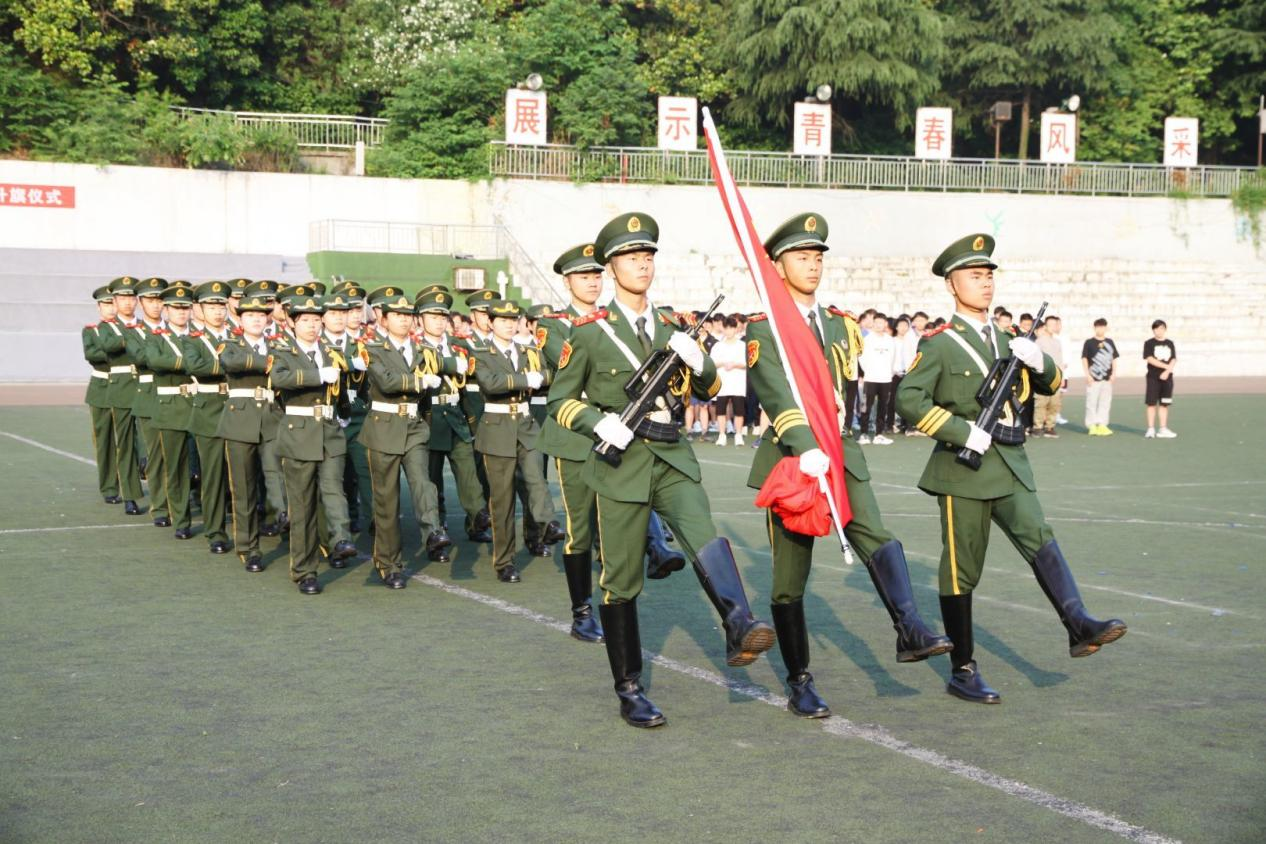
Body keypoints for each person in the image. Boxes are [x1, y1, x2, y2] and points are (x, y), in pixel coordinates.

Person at [548, 211, 774, 728]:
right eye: (631, 257)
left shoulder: (674, 325)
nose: (642, 264)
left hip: (672, 454)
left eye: (648, 255)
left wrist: (699, 361)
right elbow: (560, 401)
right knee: (622, 579)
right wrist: (597, 421)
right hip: (621, 462)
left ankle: (739, 622)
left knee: (703, 533)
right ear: (611, 267)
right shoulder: (589, 333)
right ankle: (629, 687)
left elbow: (709, 389)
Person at [896, 233, 1126, 704]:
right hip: (963, 470)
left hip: (1009, 462)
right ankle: (963, 668)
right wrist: (961, 431)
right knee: (962, 568)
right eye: (974, 276)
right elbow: (909, 399)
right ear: (952, 284)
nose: (985, 283)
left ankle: (1078, 623)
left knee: (1039, 537)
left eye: (988, 275)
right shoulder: (939, 343)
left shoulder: (1007, 340)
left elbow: (1052, 384)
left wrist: (1040, 360)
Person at [746, 213, 951, 717]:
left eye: (818, 257)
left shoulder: (839, 323)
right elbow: (773, 390)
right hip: (793, 460)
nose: (813, 265)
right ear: (778, 266)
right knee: (790, 578)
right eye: (801, 257)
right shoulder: (765, 328)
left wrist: (829, 442)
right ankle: (799, 679)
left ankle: (909, 627)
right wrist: (803, 443)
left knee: (877, 536)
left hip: (839, 453)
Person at [360, 291, 454, 589]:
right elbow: (386, 381)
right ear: (384, 319)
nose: (403, 320)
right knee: (387, 501)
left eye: (407, 315)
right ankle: (389, 563)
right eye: (397, 315)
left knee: (422, 481)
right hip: (384, 427)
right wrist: (419, 381)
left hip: (413, 426)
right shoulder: (372, 348)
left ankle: (433, 530)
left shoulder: (422, 350)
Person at [471, 299, 563, 583]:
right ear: (490, 323)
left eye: (513, 320)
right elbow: (490, 382)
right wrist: (526, 379)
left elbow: (549, 374)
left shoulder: (528, 351)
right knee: (503, 500)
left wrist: (538, 377)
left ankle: (547, 524)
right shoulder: (480, 352)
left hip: (525, 424)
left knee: (536, 478)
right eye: (503, 320)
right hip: (497, 427)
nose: (509, 325)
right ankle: (504, 560)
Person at [268, 293, 352, 595]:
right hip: (299, 432)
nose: (313, 326)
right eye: (306, 321)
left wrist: (344, 413)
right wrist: (317, 375)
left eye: (317, 320)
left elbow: (342, 389)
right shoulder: (281, 350)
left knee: (333, 489)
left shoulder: (331, 352)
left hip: (329, 431)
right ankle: (304, 570)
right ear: (293, 323)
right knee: (302, 506)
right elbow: (279, 378)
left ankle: (340, 538)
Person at [217, 287, 280, 572]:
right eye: (250, 315)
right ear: (240, 319)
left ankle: (281, 522)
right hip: (240, 421)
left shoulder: (278, 345)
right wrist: (270, 364)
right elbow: (231, 363)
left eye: (261, 315)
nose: (256, 319)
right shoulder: (230, 344)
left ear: (268, 319)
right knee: (244, 487)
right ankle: (248, 547)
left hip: (271, 419)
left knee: (277, 478)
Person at [182, 281, 234, 555]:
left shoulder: (237, 336)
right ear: (200, 309)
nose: (217, 311)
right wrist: (232, 364)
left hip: (237, 409)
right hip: (209, 412)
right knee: (213, 475)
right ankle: (216, 531)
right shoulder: (192, 340)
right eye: (211, 306)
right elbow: (195, 366)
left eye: (221, 306)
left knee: (241, 475)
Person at [143, 282, 197, 541]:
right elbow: (155, 361)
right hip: (171, 406)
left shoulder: (199, 335)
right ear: (166, 310)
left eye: (185, 308)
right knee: (174, 466)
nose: (181, 312)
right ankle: (181, 518)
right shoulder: (156, 337)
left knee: (203, 466)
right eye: (176, 308)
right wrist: (193, 363)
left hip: (199, 405)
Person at [95, 277, 145, 515]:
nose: (127, 302)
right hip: (121, 388)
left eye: (131, 298)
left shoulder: (145, 325)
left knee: (149, 444)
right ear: (114, 301)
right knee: (125, 444)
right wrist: (132, 336)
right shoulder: (107, 327)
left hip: (145, 386)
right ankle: (129, 495)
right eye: (122, 298)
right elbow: (108, 345)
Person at [127, 277, 171, 526]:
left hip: (176, 397)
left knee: (178, 456)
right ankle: (161, 507)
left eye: (159, 300)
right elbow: (143, 358)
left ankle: (178, 504)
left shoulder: (176, 329)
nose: (155, 305)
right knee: (156, 456)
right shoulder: (134, 332)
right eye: (150, 300)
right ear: (141, 303)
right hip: (150, 397)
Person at [83, 286, 121, 504]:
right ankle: (109, 486)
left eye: (113, 303)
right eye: (106, 303)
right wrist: (120, 351)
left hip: (127, 387)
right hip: (102, 389)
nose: (111, 308)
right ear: (99, 307)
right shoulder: (92, 331)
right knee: (104, 440)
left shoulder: (130, 330)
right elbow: (92, 354)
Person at [858, 311, 896, 445]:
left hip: (886, 379)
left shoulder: (890, 340)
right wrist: (868, 371)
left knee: (882, 407)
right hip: (870, 378)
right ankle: (863, 434)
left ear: (885, 324)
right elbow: (861, 357)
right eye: (877, 322)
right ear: (873, 324)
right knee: (866, 407)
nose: (879, 325)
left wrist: (889, 373)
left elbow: (893, 358)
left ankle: (879, 434)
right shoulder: (868, 339)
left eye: (881, 322)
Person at [711, 317, 747, 446]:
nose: (728, 331)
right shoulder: (718, 345)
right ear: (723, 329)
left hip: (737, 383)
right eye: (726, 328)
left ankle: (738, 435)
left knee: (739, 411)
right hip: (722, 384)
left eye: (731, 328)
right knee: (720, 410)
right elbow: (712, 363)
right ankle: (722, 435)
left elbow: (746, 363)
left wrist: (735, 364)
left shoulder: (742, 345)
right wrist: (723, 363)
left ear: (735, 329)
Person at [1081, 318, 1118, 436]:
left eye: (1102, 327)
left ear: (1106, 328)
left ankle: (1102, 425)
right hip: (1093, 378)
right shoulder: (1089, 342)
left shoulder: (1110, 342)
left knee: (1105, 402)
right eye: (1098, 327)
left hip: (1107, 378)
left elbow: (1114, 358)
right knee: (1091, 403)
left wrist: (1114, 373)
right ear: (1094, 328)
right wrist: (1087, 375)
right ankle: (1091, 425)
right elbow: (1084, 359)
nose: (1100, 329)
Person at [1143, 320, 1178, 438]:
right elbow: (1149, 359)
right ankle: (1150, 429)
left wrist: (1167, 371)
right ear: (1153, 330)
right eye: (1157, 328)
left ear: (1165, 329)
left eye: (1162, 328)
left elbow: (1173, 359)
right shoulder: (1149, 343)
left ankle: (1163, 429)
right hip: (1153, 377)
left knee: (1164, 404)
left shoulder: (1170, 343)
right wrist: (1165, 367)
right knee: (1151, 403)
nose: (1159, 331)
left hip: (1167, 378)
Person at [1032, 316, 1065, 438]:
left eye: (1055, 324)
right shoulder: (1039, 342)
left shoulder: (1057, 342)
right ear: (1045, 326)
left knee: (1054, 404)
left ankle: (1049, 427)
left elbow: (1060, 361)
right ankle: (1037, 426)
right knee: (1041, 402)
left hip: (1056, 378)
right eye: (1050, 324)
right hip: (1043, 377)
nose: (1053, 327)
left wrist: (1062, 377)